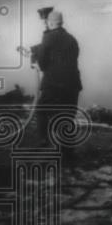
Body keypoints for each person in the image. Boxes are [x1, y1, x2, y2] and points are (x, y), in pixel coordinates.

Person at [30, 9, 82, 150]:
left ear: (51, 23)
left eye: (47, 22)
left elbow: (42, 62)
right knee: (66, 117)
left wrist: (37, 61)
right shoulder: (72, 39)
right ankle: (68, 153)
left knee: (41, 110)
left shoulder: (48, 37)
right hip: (72, 85)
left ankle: (44, 140)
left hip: (54, 84)